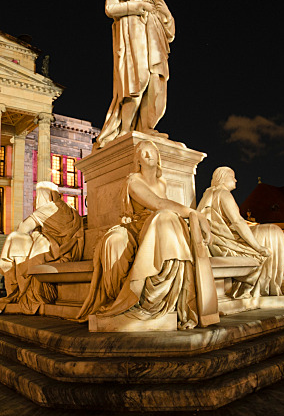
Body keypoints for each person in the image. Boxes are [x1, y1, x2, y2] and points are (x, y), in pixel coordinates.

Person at [77, 141, 207, 329]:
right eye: (143, 153)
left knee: (166, 220)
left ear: (158, 156)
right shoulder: (133, 181)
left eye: (151, 151)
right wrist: (195, 213)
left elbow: (162, 205)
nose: (148, 155)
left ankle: (158, 296)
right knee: (115, 241)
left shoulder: (161, 182)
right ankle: (123, 299)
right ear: (137, 160)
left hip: (151, 225)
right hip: (134, 227)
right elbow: (158, 203)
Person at [96, 0, 175, 148]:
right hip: (132, 46)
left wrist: (158, 3)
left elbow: (169, 27)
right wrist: (138, 8)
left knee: (155, 85)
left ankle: (147, 127)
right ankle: (125, 129)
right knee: (135, 84)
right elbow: (110, 10)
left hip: (154, 48)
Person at [197, 167, 284, 298]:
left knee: (272, 232)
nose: (235, 180)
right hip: (228, 240)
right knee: (274, 232)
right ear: (223, 178)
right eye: (232, 177)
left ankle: (273, 284)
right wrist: (257, 247)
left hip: (220, 238)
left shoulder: (209, 194)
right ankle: (270, 286)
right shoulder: (223, 193)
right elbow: (237, 222)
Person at [0, 181, 85, 314]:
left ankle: (20, 292)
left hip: (52, 249)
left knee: (14, 239)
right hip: (68, 251)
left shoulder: (47, 209)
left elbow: (22, 229)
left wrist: (38, 230)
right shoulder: (71, 209)